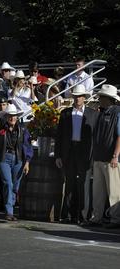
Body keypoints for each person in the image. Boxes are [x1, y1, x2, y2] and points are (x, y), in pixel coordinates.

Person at [55, 85, 98, 224]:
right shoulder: (65, 113)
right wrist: (58, 155)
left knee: (84, 185)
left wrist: (93, 156)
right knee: (70, 184)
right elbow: (59, 136)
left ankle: (83, 215)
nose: (77, 98)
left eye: (80, 96)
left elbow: (95, 137)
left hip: (85, 153)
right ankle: (68, 215)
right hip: (69, 151)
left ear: (84, 97)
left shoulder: (93, 114)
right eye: (75, 96)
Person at [0, 104, 33, 221]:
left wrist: (27, 162)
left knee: (15, 186)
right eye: (10, 115)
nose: (12, 118)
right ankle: (9, 211)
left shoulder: (23, 129)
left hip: (18, 159)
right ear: (6, 116)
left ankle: (11, 207)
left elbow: (27, 147)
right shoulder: (0, 130)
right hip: (4, 158)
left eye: (14, 116)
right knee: (7, 183)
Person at [90, 84, 120, 227]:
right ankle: (97, 217)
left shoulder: (117, 113)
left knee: (114, 191)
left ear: (109, 99)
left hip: (110, 158)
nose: (99, 99)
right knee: (98, 191)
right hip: (99, 157)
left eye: (102, 97)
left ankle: (115, 219)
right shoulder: (101, 113)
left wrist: (115, 155)